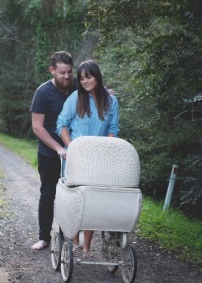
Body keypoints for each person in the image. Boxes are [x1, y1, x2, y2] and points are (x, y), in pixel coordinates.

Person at [56, 59, 119, 257]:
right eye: (81, 78)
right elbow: (61, 124)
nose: (84, 81)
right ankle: (74, 241)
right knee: (76, 200)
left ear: (97, 77)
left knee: (92, 202)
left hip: (99, 159)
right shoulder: (75, 98)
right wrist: (71, 147)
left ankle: (87, 246)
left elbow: (113, 130)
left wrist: (105, 148)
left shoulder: (111, 102)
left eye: (88, 77)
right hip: (76, 158)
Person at [29, 51, 77, 250]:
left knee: (74, 194)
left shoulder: (77, 85)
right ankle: (44, 237)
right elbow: (37, 127)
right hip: (50, 151)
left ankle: (69, 236)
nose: (66, 77)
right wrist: (58, 148)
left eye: (69, 73)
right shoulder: (43, 92)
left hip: (74, 151)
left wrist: (104, 94)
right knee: (48, 193)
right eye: (62, 73)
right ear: (52, 70)